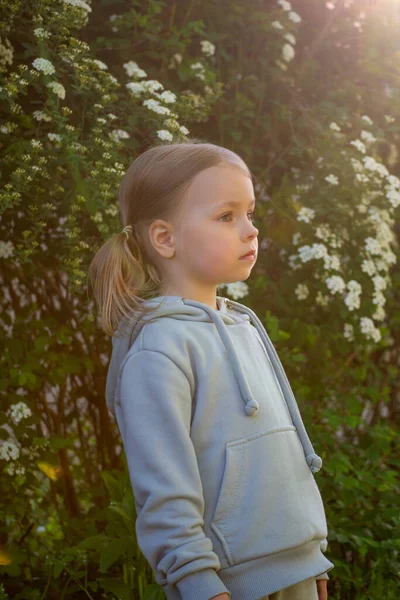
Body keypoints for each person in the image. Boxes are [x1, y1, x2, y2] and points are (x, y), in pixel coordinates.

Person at [88, 138, 334, 600]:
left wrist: (312, 557)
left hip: (298, 573)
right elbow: (164, 490)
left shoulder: (242, 326)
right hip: (227, 587)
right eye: (227, 216)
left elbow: (281, 458)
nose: (250, 231)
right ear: (165, 238)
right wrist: (198, 583)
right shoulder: (159, 350)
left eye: (251, 214)